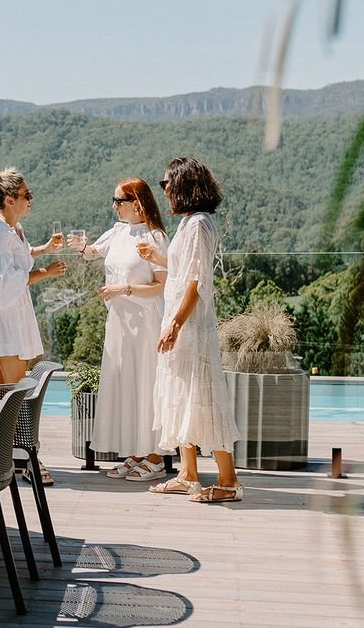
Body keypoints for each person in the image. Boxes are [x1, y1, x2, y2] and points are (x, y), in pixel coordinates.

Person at [141, 156, 243, 503]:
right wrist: (159, 260)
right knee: (181, 393)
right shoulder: (188, 224)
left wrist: (174, 324)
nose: (164, 189)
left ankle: (229, 482)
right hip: (179, 321)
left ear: (183, 185)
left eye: (167, 183)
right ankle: (187, 474)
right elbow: (184, 267)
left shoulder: (199, 224)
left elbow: (197, 282)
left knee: (204, 395)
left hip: (191, 325)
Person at [69, 178, 169, 483]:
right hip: (120, 323)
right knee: (126, 385)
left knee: (144, 385)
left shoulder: (155, 237)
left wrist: (125, 289)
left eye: (118, 201)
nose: (114, 206)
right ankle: (136, 453)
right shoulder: (118, 231)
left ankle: (155, 457)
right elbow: (93, 251)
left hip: (145, 322)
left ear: (137, 202)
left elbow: (161, 284)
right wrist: (80, 247)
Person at [0, 164, 66, 385]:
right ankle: (16, 421)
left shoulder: (14, 229)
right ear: (10, 200)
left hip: (15, 313)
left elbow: (17, 257)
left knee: (1, 388)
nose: (30, 199)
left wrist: (44, 249)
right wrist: (46, 272)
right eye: (27, 195)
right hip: (5, 317)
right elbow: (4, 283)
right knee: (17, 388)